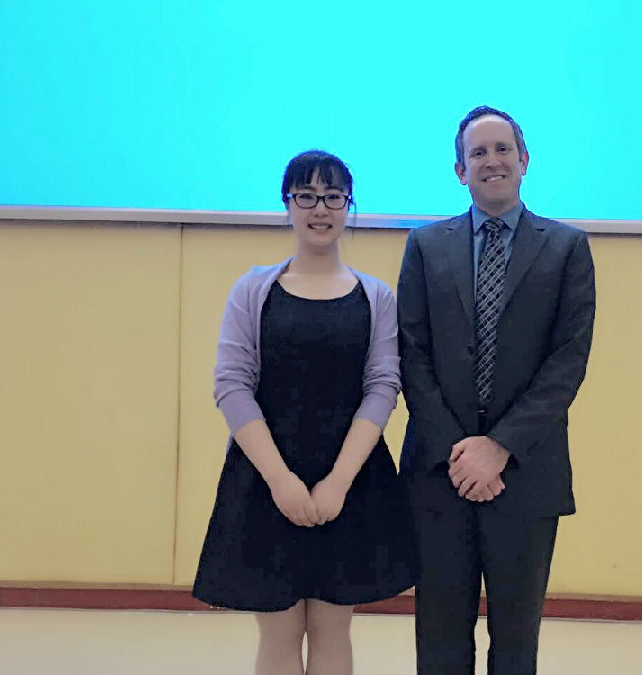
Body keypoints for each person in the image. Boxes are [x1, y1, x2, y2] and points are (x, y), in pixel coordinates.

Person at [193, 150, 415, 675]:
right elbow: (231, 385)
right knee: (279, 632)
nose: (321, 209)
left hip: (350, 481)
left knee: (334, 628)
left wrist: (337, 482)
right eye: (307, 196)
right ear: (287, 203)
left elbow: (383, 387)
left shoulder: (376, 296)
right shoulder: (253, 290)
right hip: (266, 479)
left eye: (334, 197)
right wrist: (280, 481)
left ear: (348, 206)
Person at [397, 106, 596, 675]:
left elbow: (567, 362)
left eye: (502, 149)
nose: (492, 161)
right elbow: (411, 353)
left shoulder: (566, 248)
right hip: (441, 472)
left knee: (516, 640)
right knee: (439, 637)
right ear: (460, 170)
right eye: (478, 152)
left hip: (526, 473)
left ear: (524, 160)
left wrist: (499, 446)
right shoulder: (425, 246)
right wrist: (460, 453)